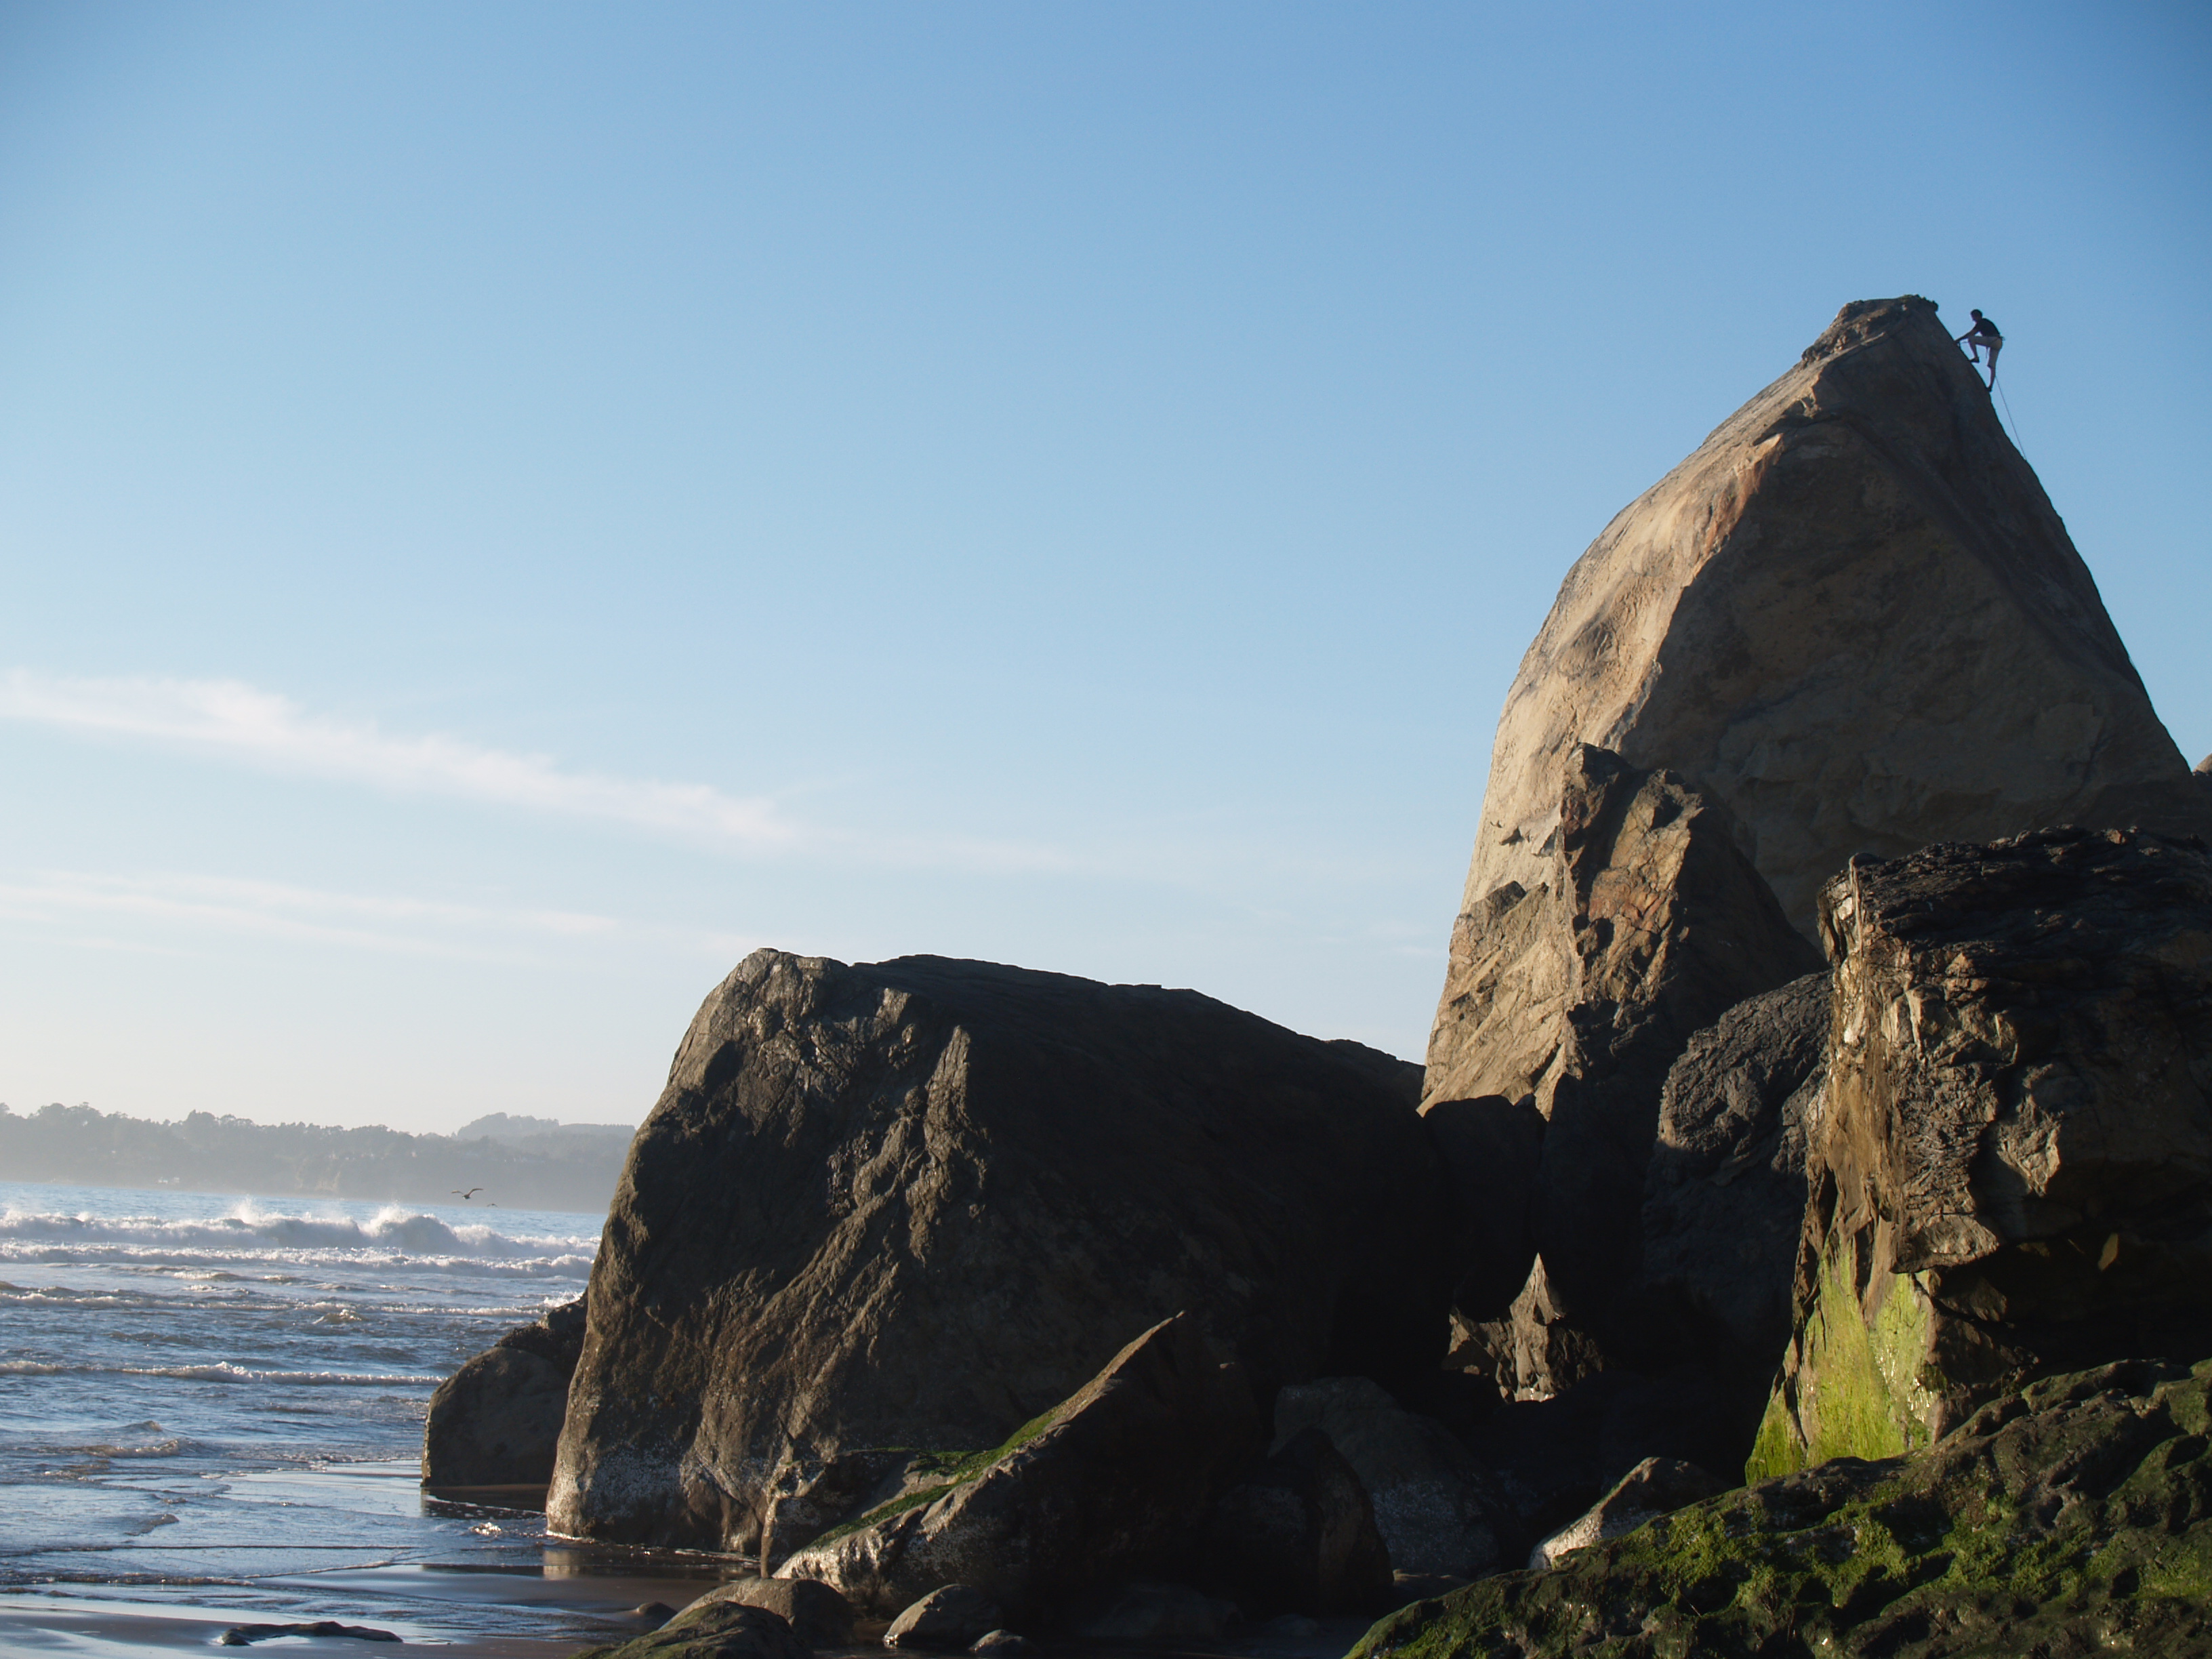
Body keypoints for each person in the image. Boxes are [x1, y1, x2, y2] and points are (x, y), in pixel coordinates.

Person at [1956, 309, 2003, 386]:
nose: (1973, 319)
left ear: (1976, 316)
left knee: (1971, 339)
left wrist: (1958, 340)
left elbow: (1971, 333)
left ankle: (1976, 357)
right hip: (1998, 342)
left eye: (1973, 317)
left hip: (1993, 340)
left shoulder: (1981, 322)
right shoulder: (1986, 322)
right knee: (1992, 365)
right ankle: (1991, 386)